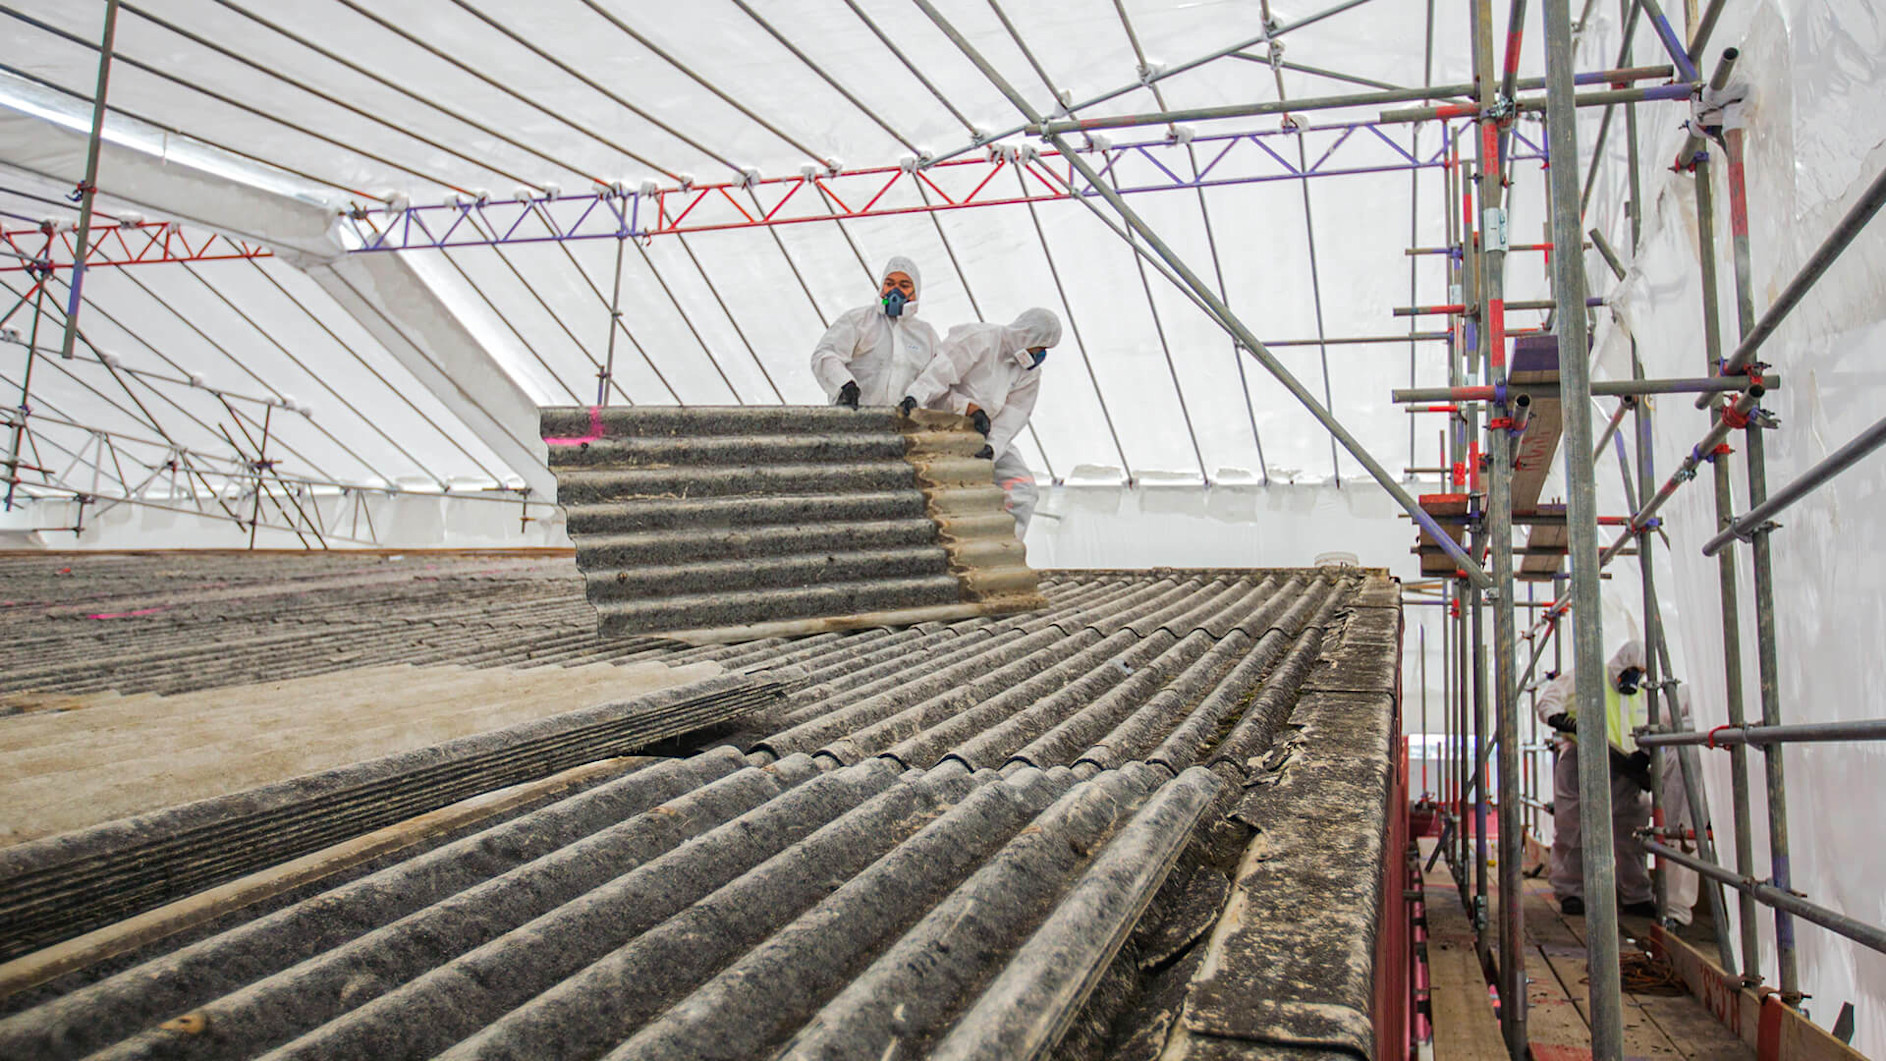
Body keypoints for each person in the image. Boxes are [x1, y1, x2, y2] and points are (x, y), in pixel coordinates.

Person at [896, 308, 1061, 539]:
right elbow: (936, 383)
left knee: (1023, 489)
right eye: (1041, 347)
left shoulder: (1029, 373)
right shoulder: (979, 340)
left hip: (985, 436)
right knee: (942, 495)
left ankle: (1003, 549)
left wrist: (992, 447)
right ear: (1027, 335)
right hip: (944, 430)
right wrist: (964, 408)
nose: (1041, 355)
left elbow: (1014, 416)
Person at [1535, 639, 1655, 918]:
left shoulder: (1644, 692)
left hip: (1623, 764)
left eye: (1641, 671)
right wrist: (1560, 720)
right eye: (1632, 670)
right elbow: (1550, 699)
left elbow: (1655, 721)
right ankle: (1572, 892)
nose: (1635, 677)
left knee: (1632, 829)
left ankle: (1636, 895)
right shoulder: (1588, 675)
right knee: (1574, 825)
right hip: (1582, 756)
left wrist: (1645, 753)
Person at [809, 256, 940, 408]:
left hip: (903, 427)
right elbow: (825, 356)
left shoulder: (926, 336)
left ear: (916, 292)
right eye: (889, 284)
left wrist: (917, 397)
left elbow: (937, 377)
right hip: (853, 423)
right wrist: (844, 385)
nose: (894, 290)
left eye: (904, 285)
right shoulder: (858, 321)